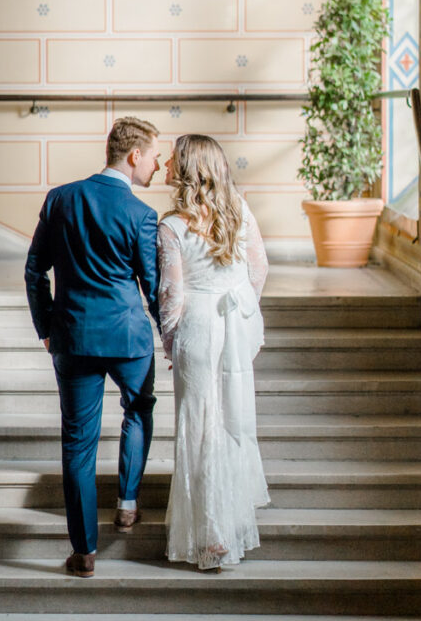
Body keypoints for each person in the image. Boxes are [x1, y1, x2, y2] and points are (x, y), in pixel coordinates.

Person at [25, 117, 162, 578]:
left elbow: (34, 269)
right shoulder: (142, 214)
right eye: (154, 156)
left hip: (74, 336)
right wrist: (169, 334)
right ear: (135, 155)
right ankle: (127, 503)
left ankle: (84, 552)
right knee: (138, 410)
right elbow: (152, 288)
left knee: (78, 443)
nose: (158, 165)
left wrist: (46, 325)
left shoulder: (61, 198)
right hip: (128, 339)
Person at [157, 134, 270, 572]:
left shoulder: (172, 226)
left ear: (188, 169)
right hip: (233, 322)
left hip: (199, 326)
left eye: (173, 157)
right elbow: (259, 268)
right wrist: (244, 315)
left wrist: (171, 342)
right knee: (229, 420)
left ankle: (213, 536)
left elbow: (171, 295)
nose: (166, 163)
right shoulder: (239, 210)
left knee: (200, 428)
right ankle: (229, 522)